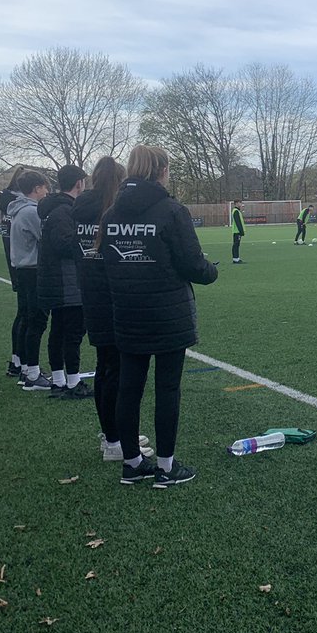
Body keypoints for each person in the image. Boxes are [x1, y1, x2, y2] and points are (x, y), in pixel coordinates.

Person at [101, 145, 218, 488]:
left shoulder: (111, 215)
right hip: (167, 315)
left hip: (127, 311)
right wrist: (212, 271)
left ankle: (132, 463)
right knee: (167, 388)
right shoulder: (171, 211)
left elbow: (107, 264)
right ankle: (166, 467)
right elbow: (193, 264)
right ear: (162, 170)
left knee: (129, 388)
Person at [74, 157, 152, 462]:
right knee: (116, 372)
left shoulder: (80, 207)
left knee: (106, 367)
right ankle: (115, 440)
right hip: (113, 296)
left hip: (90, 294)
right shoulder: (113, 211)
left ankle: (112, 434)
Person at [37, 164, 91, 399]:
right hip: (65, 282)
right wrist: (88, 246)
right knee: (71, 333)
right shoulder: (63, 211)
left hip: (57, 280)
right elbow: (64, 244)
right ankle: (71, 382)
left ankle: (60, 380)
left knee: (59, 331)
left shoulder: (56, 209)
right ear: (79, 183)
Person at [8, 170, 52, 390]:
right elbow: (46, 238)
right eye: (45, 187)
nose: (46, 191)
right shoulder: (31, 211)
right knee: (36, 321)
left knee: (27, 319)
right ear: (36, 188)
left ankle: (26, 368)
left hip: (23, 270)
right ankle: (32, 374)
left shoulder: (19, 210)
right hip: (33, 271)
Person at [0, 167, 25, 378]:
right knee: (28, 316)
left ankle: (18, 360)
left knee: (24, 314)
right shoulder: (21, 209)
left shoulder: (9, 206)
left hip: (16, 263)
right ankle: (24, 364)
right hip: (25, 266)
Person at [231, 199, 245, 263]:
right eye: (240, 203)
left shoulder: (237, 211)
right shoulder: (236, 211)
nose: (241, 204)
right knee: (236, 245)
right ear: (236, 203)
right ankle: (236, 259)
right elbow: (238, 222)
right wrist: (241, 231)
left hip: (236, 231)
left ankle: (236, 258)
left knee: (236, 245)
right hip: (237, 231)